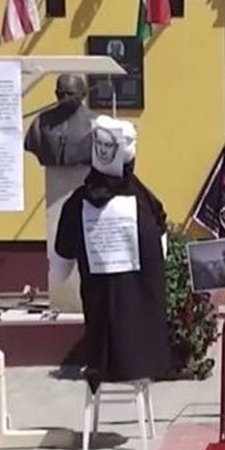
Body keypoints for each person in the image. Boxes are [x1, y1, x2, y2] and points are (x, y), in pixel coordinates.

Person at [51, 115, 171, 392]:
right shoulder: (149, 205)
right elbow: (161, 257)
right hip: (143, 350)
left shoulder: (76, 204)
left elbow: (59, 272)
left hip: (100, 348)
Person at [24, 74, 97, 167]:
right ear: (56, 93)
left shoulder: (97, 122)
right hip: (50, 173)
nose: (65, 98)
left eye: (70, 94)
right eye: (61, 94)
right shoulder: (41, 121)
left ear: (83, 94)